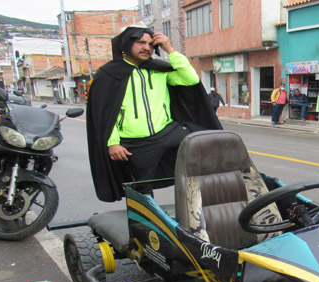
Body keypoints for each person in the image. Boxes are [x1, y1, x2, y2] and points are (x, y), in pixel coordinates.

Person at [86, 24, 221, 202]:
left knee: (212, 140)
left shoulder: (159, 70)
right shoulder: (109, 74)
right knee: (143, 189)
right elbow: (103, 114)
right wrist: (112, 143)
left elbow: (191, 79)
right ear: (126, 44)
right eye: (141, 42)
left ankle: (205, 201)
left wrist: (170, 49)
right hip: (137, 142)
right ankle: (142, 226)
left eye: (151, 44)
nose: (146, 48)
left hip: (166, 131)